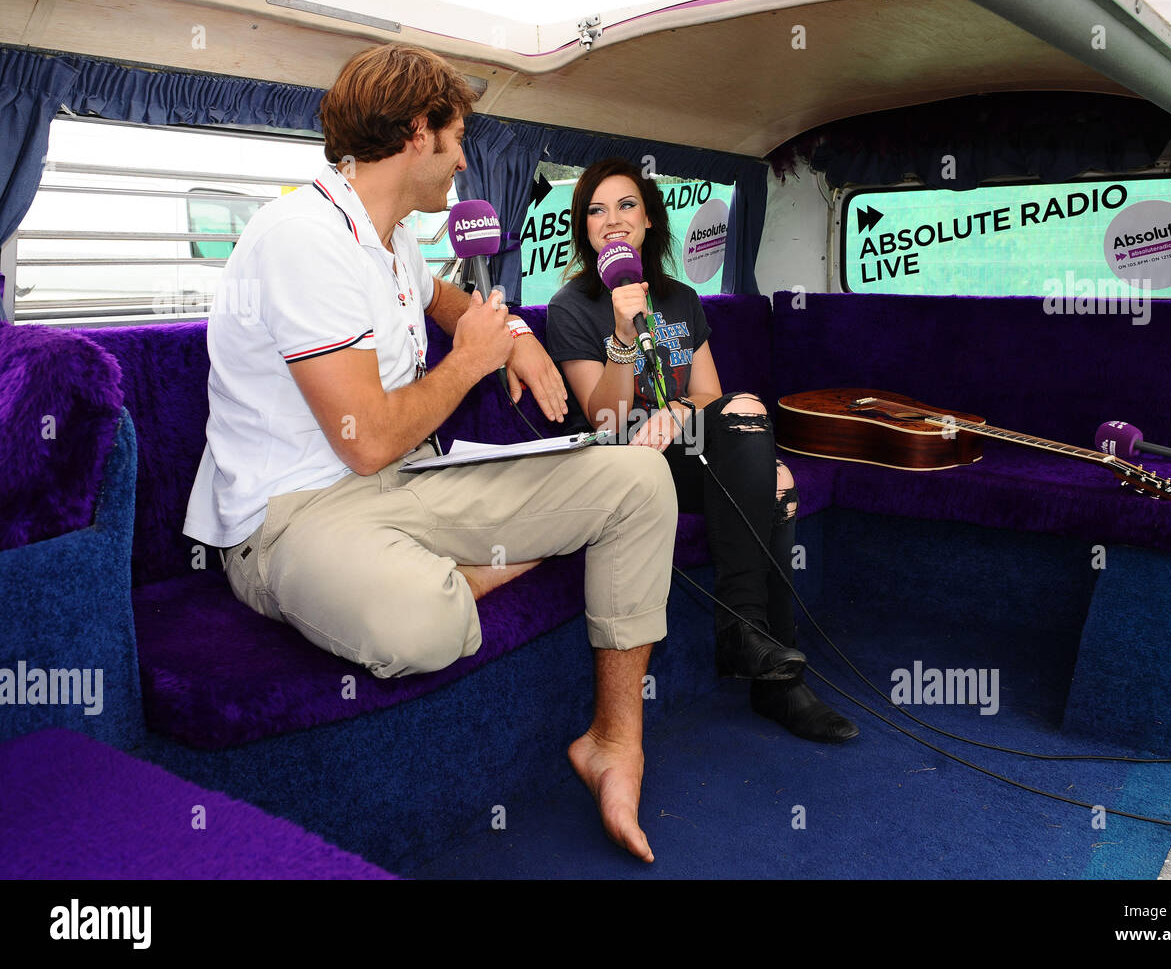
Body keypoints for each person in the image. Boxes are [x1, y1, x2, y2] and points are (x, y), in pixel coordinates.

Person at [182, 46, 677, 863]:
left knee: (637, 479)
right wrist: (472, 360)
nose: (461, 161)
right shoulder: (302, 237)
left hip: (404, 483)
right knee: (419, 623)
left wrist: (515, 337)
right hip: (289, 517)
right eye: (455, 139)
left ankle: (614, 743)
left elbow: (448, 301)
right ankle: (445, 567)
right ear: (417, 132)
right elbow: (367, 438)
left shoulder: (392, 239)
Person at [545, 158, 859, 744]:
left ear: (649, 219)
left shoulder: (683, 299)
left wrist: (677, 411)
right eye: (596, 210)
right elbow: (606, 417)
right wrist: (620, 333)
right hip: (624, 461)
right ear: (584, 228)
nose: (611, 220)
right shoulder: (571, 307)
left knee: (774, 473)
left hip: (684, 445)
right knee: (750, 433)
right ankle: (755, 646)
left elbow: (708, 392)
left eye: (626, 205)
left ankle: (765, 664)